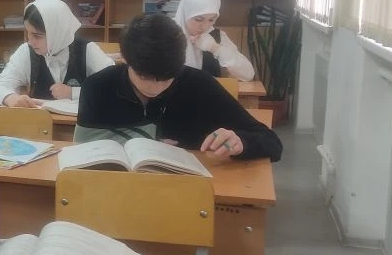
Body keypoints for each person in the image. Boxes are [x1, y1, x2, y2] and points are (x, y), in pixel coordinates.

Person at [76, 13, 282, 161]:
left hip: (184, 192)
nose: (155, 87)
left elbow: (272, 143)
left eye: (166, 78)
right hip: (115, 191)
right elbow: (83, 151)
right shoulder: (98, 87)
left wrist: (242, 142)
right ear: (125, 59)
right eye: (145, 77)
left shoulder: (200, 85)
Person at [0, 0, 114, 107]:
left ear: (57, 33)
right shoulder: (26, 51)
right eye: (28, 33)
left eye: (37, 36)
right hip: (39, 122)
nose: (30, 42)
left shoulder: (87, 50)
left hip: (80, 124)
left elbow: (114, 87)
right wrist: (9, 97)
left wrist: (73, 93)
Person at [173, 0, 255, 81]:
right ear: (185, 13)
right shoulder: (166, 33)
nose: (205, 27)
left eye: (211, 20)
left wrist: (215, 48)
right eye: (198, 19)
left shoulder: (215, 35)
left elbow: (248, 75)